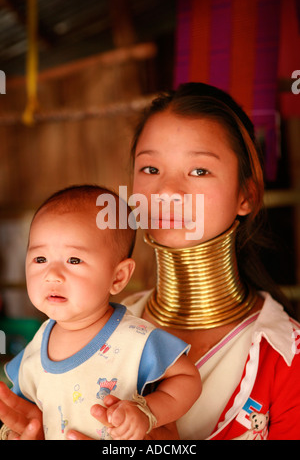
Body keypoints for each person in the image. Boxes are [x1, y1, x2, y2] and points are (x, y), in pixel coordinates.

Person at [1, 82, 300, 440]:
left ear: (246, 195)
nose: (167, 192)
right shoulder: (90, 325)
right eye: (151, 170)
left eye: (199, 170)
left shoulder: (286, 358)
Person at [0, 185, 201, 440]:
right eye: (40, 259)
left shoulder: (134, 338)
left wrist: (147, 413)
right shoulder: (36, 347)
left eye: (74, 260)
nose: (51, 274)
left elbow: (187, 377)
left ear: (118, 277)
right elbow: (25, 412)